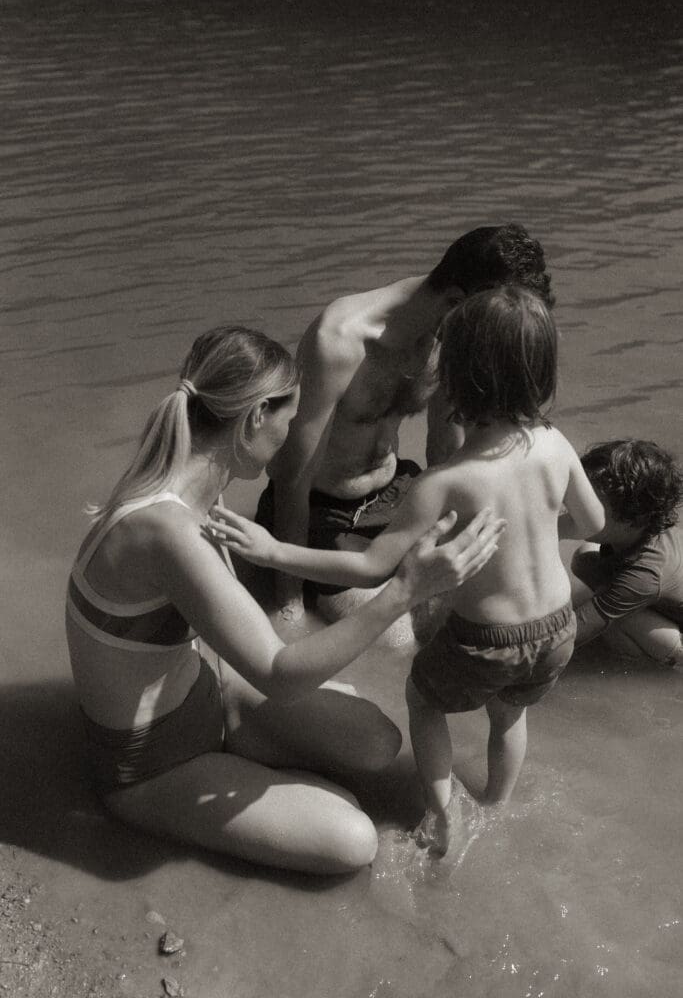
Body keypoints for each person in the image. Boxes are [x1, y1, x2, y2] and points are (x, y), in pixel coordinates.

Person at [65, 325, 505, 876]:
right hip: (153, 764)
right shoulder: (167, 530)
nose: (298, 437)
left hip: (206, 695)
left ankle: (267, 768)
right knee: (353, 840)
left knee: (377, 742)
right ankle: (239, 786)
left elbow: (233, 637)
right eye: (290, 420)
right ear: (253, 419)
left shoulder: (194, 483)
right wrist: (406, 590)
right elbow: (278, 673)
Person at [211, 288, 605, 856]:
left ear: (458, 378)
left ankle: (442, 817)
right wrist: (533, 528)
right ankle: (498, 802)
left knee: (424, 702)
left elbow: (371, 567)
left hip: (486, 640)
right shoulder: (555, 443)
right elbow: (590, 522)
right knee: (509, 713)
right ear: (544, 371)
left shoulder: (446, 483)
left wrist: (274, 552)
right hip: (556, 629)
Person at [256, 224, 554, 628]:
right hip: (325, 513)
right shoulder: (340, 340)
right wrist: (288, 607)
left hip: (401, 494)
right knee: (398, 641)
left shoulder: (452, 335)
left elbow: (447, 450)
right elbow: (293, 476)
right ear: (455, 300)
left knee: (500, 600)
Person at [570, 439, 683, 667]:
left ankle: (658, 664)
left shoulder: (645, 575)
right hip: (656, 589)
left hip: (675, 635)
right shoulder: (647, 524)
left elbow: (571, 633)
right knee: (584, 557)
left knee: (617, 621)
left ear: (633, 520)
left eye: (591, 503)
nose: (577, 507)